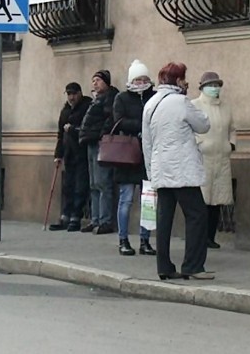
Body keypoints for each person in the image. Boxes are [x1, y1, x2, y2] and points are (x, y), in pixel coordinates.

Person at [142, 62, 213, 280]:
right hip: (183, 171)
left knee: (164, 219)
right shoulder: (181, 102)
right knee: (198, 216)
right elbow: (204, 125)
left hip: (161, 171)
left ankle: (164, 267)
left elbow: (147, 142)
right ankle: (193, 266)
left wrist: (151, 172)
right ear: (179, 80)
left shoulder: (150, 104)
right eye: (184, 78)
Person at [113, 60, 157, 256]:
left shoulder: (154, 97)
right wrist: (142, 125)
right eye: (137, 79)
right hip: (127, 156)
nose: (141, 82)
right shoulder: (121, 98)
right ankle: (123, 239)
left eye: (144, 79)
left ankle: (145, 240)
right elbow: (119, 121)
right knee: (126, 199)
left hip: (148, 155)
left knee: (148, 201)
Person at [192, 71, 236, 249]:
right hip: (203, 158)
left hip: (222, 158)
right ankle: (200, 237)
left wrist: (231, 144)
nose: (215, 88)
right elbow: (191, 129)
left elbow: (232, 129)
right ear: (202, 87)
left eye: (217, 85)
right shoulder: (194, 105)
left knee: (217, 200)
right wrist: (200, 144)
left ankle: (210, 237)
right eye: (211, 85)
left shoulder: (225, 107)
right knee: (202, 200)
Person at [79, 70, 119, 235]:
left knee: (103, 183)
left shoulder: (110, 97)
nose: (94, 83)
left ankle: (105, 221)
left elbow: (111, 119)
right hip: (91, 142)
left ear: (106, 82)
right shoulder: (97, 99)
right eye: (93, 80)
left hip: (100, 142)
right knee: (94, 184)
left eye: (98, 80)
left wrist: (101, 135)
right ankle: (95, 219)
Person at [50, 83, 92, 232]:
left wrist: (73, 129)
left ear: (80, 93)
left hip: (82, 152)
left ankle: (76, 217)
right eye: (69, 94)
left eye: (74, 94)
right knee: (68, 186)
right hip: (68, 153)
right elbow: (60, 134)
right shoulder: (65, 110)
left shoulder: (87, 106)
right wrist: (58, 154)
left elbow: (87, 129)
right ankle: (65, 216)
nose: (71, 97)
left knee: (80, 186)